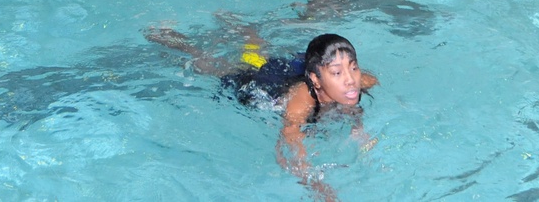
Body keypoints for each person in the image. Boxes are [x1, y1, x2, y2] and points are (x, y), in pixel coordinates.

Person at [146, 25, 377, 201]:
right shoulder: (301, 100)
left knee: (256, 58)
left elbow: (366, 86)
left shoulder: (355, 83)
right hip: (261, 88)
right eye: (337, 73)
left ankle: (248, 33)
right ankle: (177, 42)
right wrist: (315, 184)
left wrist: (358, 128)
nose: (350, 80)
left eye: (354, 67)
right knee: (217, 67)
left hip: (288, 73)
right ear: (316, 80)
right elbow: (289, 137)